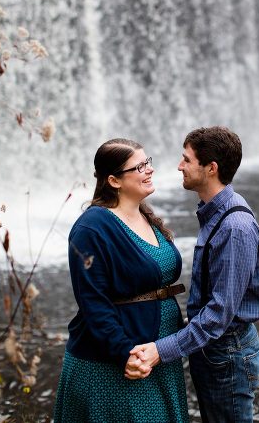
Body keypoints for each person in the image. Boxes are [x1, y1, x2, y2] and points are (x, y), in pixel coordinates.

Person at [129, 126, 259, 422]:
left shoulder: (234, 228)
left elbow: (219, 314)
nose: (179, 166)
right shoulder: (215, 212)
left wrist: (161, 350)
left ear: (211, 168)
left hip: (227, 353)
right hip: (216, 349)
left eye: (186, 160)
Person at [53, 138, 189, 423]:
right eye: (138, 167)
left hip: (158, 354)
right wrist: (124, 353)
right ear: (113, 180)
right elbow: (93, 302)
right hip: (116, 363)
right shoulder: (91, 228)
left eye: (147, 162)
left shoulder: (145, 217)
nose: (149, 170)